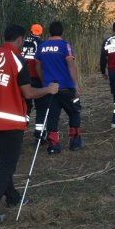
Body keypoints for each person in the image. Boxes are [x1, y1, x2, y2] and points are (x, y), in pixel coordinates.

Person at [0, 24, 58, 226]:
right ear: (20, 40)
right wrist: (49, 89)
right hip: (10, 120)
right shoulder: (19, 61)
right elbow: (28, 93)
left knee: (3, 161)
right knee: (7, 166)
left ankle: (12, 196)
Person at [35, 21, 84, 153]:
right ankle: (75, 141)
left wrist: (44, 82)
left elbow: (37, 66)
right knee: (74, 112)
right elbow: (70, 64)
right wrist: (76, 84)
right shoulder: (65, 46)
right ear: (62, 32)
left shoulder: (42, 46)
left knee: (52, 116)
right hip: (67, 87)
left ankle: (54, 145)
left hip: (50, 89)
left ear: (49, 32)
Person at [20, 23, 50, 143]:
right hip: (36, 79)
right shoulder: (41, 44)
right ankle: (40, 135)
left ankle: (20, 132)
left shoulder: (22, 42)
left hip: (22, 79)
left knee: (24, 108)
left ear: (31, 31)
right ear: (41, 32)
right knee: (41, 108)